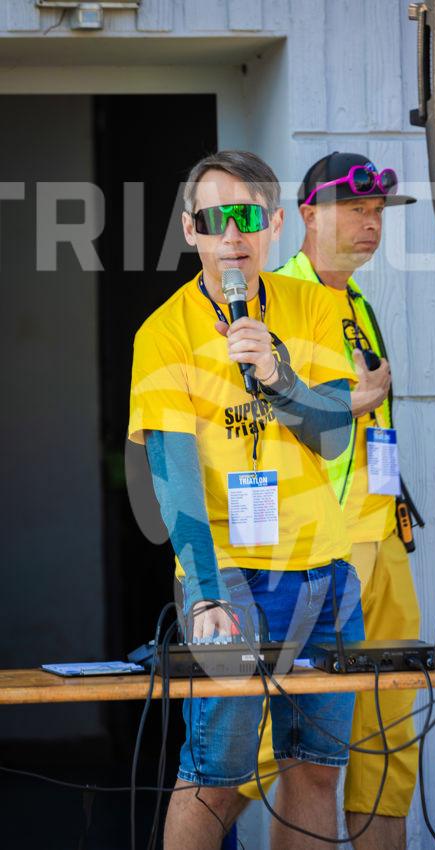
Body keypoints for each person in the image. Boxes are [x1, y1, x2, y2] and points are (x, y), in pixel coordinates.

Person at [128, 150, 366, 850]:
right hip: (227, 575)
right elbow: (173, 480)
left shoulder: (314, 307)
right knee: (215, 776)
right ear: (189, 230)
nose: (232, 235)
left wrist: (277, 374)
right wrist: (204, 592)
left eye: (247, 217)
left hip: (323, 570)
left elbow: (332, 435)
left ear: (274, 225)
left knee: (316, 772)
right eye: (213, 219)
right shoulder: (162, 333)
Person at [237, 152, 422, 850]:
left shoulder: (357, 303)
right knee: (269, 751)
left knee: (387, 738)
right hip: (310, 554)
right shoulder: (273, 298)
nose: (370, 225)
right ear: (308, 215)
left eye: (376, 213)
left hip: (380, 541)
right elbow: (254, 422)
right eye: (354, 210)